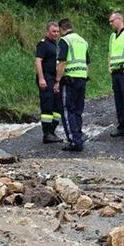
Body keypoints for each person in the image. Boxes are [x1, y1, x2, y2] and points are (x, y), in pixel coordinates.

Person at [54, 18, 90, 152]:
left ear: (61, 29)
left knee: (66, 110)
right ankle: (78, 136)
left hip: (68, 80)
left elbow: (62, 62)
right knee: (78, 110)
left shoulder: (65, 41)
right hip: (82, 78)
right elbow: (87, 63)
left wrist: (57, 81)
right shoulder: (82, 41)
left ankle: (74, 142)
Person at [34, 21, 62, 143]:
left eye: (57, 31)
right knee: (47, 105)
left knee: (57, 106)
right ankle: (47, 134)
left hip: (55, 78)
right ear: (47, 31)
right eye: (53, 31)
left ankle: (52, 131)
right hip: (46, 77)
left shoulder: (56, 45)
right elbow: (38, 61)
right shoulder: (43, 44)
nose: (56, 34)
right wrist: (41, 78)